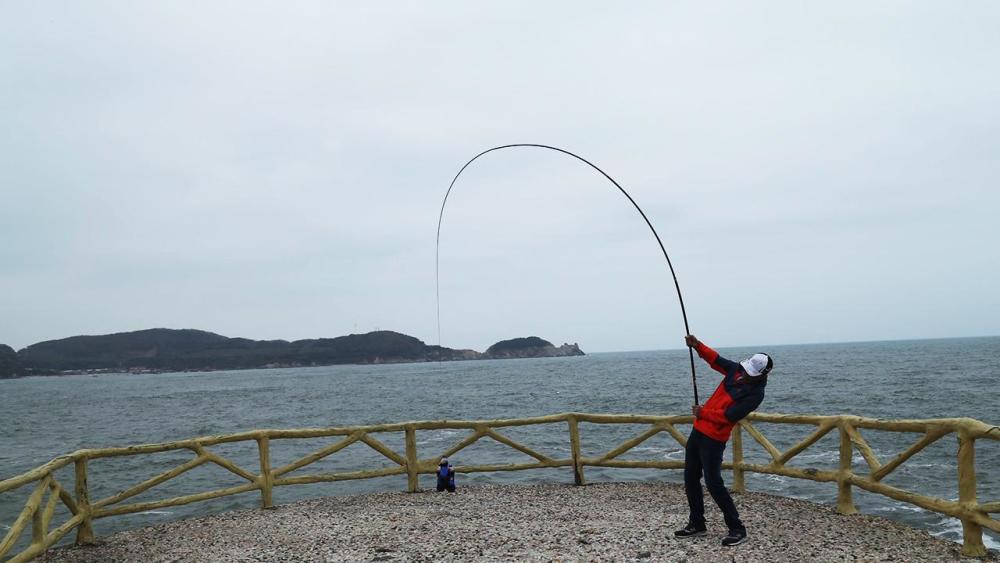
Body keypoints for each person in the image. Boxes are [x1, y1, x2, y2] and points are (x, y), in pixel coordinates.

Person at [674, 334, 773, 547]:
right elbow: (716, 360)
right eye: (746, 369)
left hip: (714, 438)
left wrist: (703, 413)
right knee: (690, 477)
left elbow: (729, 416)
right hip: (698, 431)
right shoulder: (737, 370)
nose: (745, 374)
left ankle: (737, 528)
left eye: (751, 373)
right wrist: (698, 345)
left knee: (713, 483)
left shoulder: (756, 395)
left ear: (763, 375)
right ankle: (697, 523)